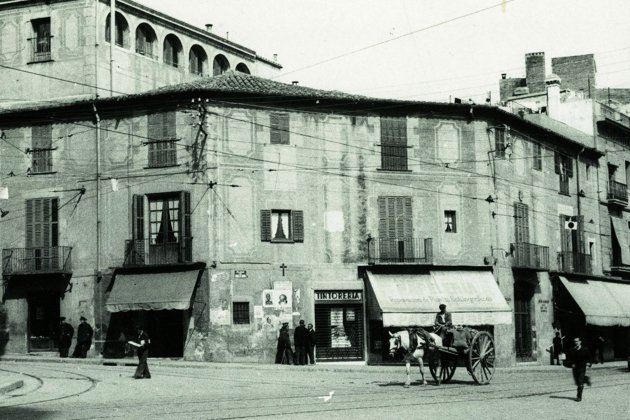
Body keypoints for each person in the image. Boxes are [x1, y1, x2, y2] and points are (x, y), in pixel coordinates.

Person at [568, 336, 592, 402]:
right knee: (577, 382)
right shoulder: (571, 350)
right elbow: (569, 359)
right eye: (575, 341)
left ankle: (579, 397)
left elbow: (589, 357)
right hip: (575, 368)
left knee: (580, 382)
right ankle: (586, 379)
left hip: (582, 367)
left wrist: (589, 363)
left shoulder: (585, 349)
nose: (576, 343)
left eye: (577, 341)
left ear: (580, 342)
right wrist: (571, 364)